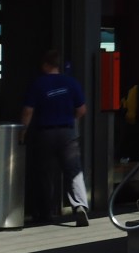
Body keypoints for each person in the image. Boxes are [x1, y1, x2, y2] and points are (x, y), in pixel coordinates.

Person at [21, 50, 90, 226]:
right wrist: (69, 119)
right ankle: (80, 206)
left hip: (45, 133)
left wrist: (23, 132)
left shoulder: (38, 84)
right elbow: (82, 110)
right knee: (73, 171)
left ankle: (45, 213)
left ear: (45, 65)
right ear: (58, 65)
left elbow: (28, 111)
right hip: (68, 132)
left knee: (44, 173)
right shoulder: (71, 82)